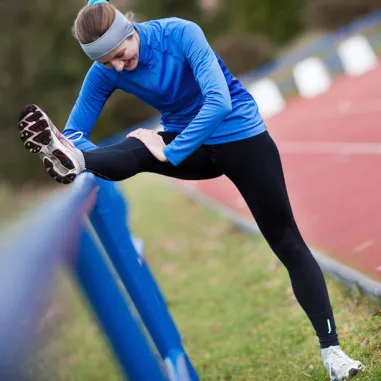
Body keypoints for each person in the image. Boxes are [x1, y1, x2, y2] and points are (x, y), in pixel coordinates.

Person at [18, 0, 365, 379]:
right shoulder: (106, 69)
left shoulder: (180, 33)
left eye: (119, 55)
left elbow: (219, 100)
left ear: (128, 30)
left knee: (287, 242)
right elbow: (75, 134)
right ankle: (77, 165)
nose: (117, 67)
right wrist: (75, 149)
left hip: (241, 138)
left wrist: (169, 151)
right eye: (106, 63)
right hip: (189, 147)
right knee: (129, 150)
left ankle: (333, 353)